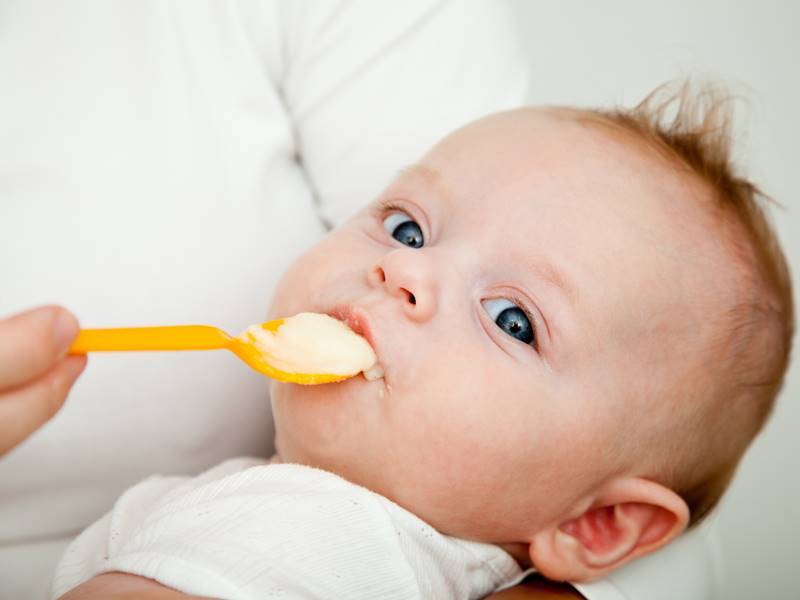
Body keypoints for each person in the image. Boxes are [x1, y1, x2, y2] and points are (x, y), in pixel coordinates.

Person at [50, 85, 793, 599]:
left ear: (594, 522)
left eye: (513, 319)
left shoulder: (312, 528)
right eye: (409, 226)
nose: (403, 268)